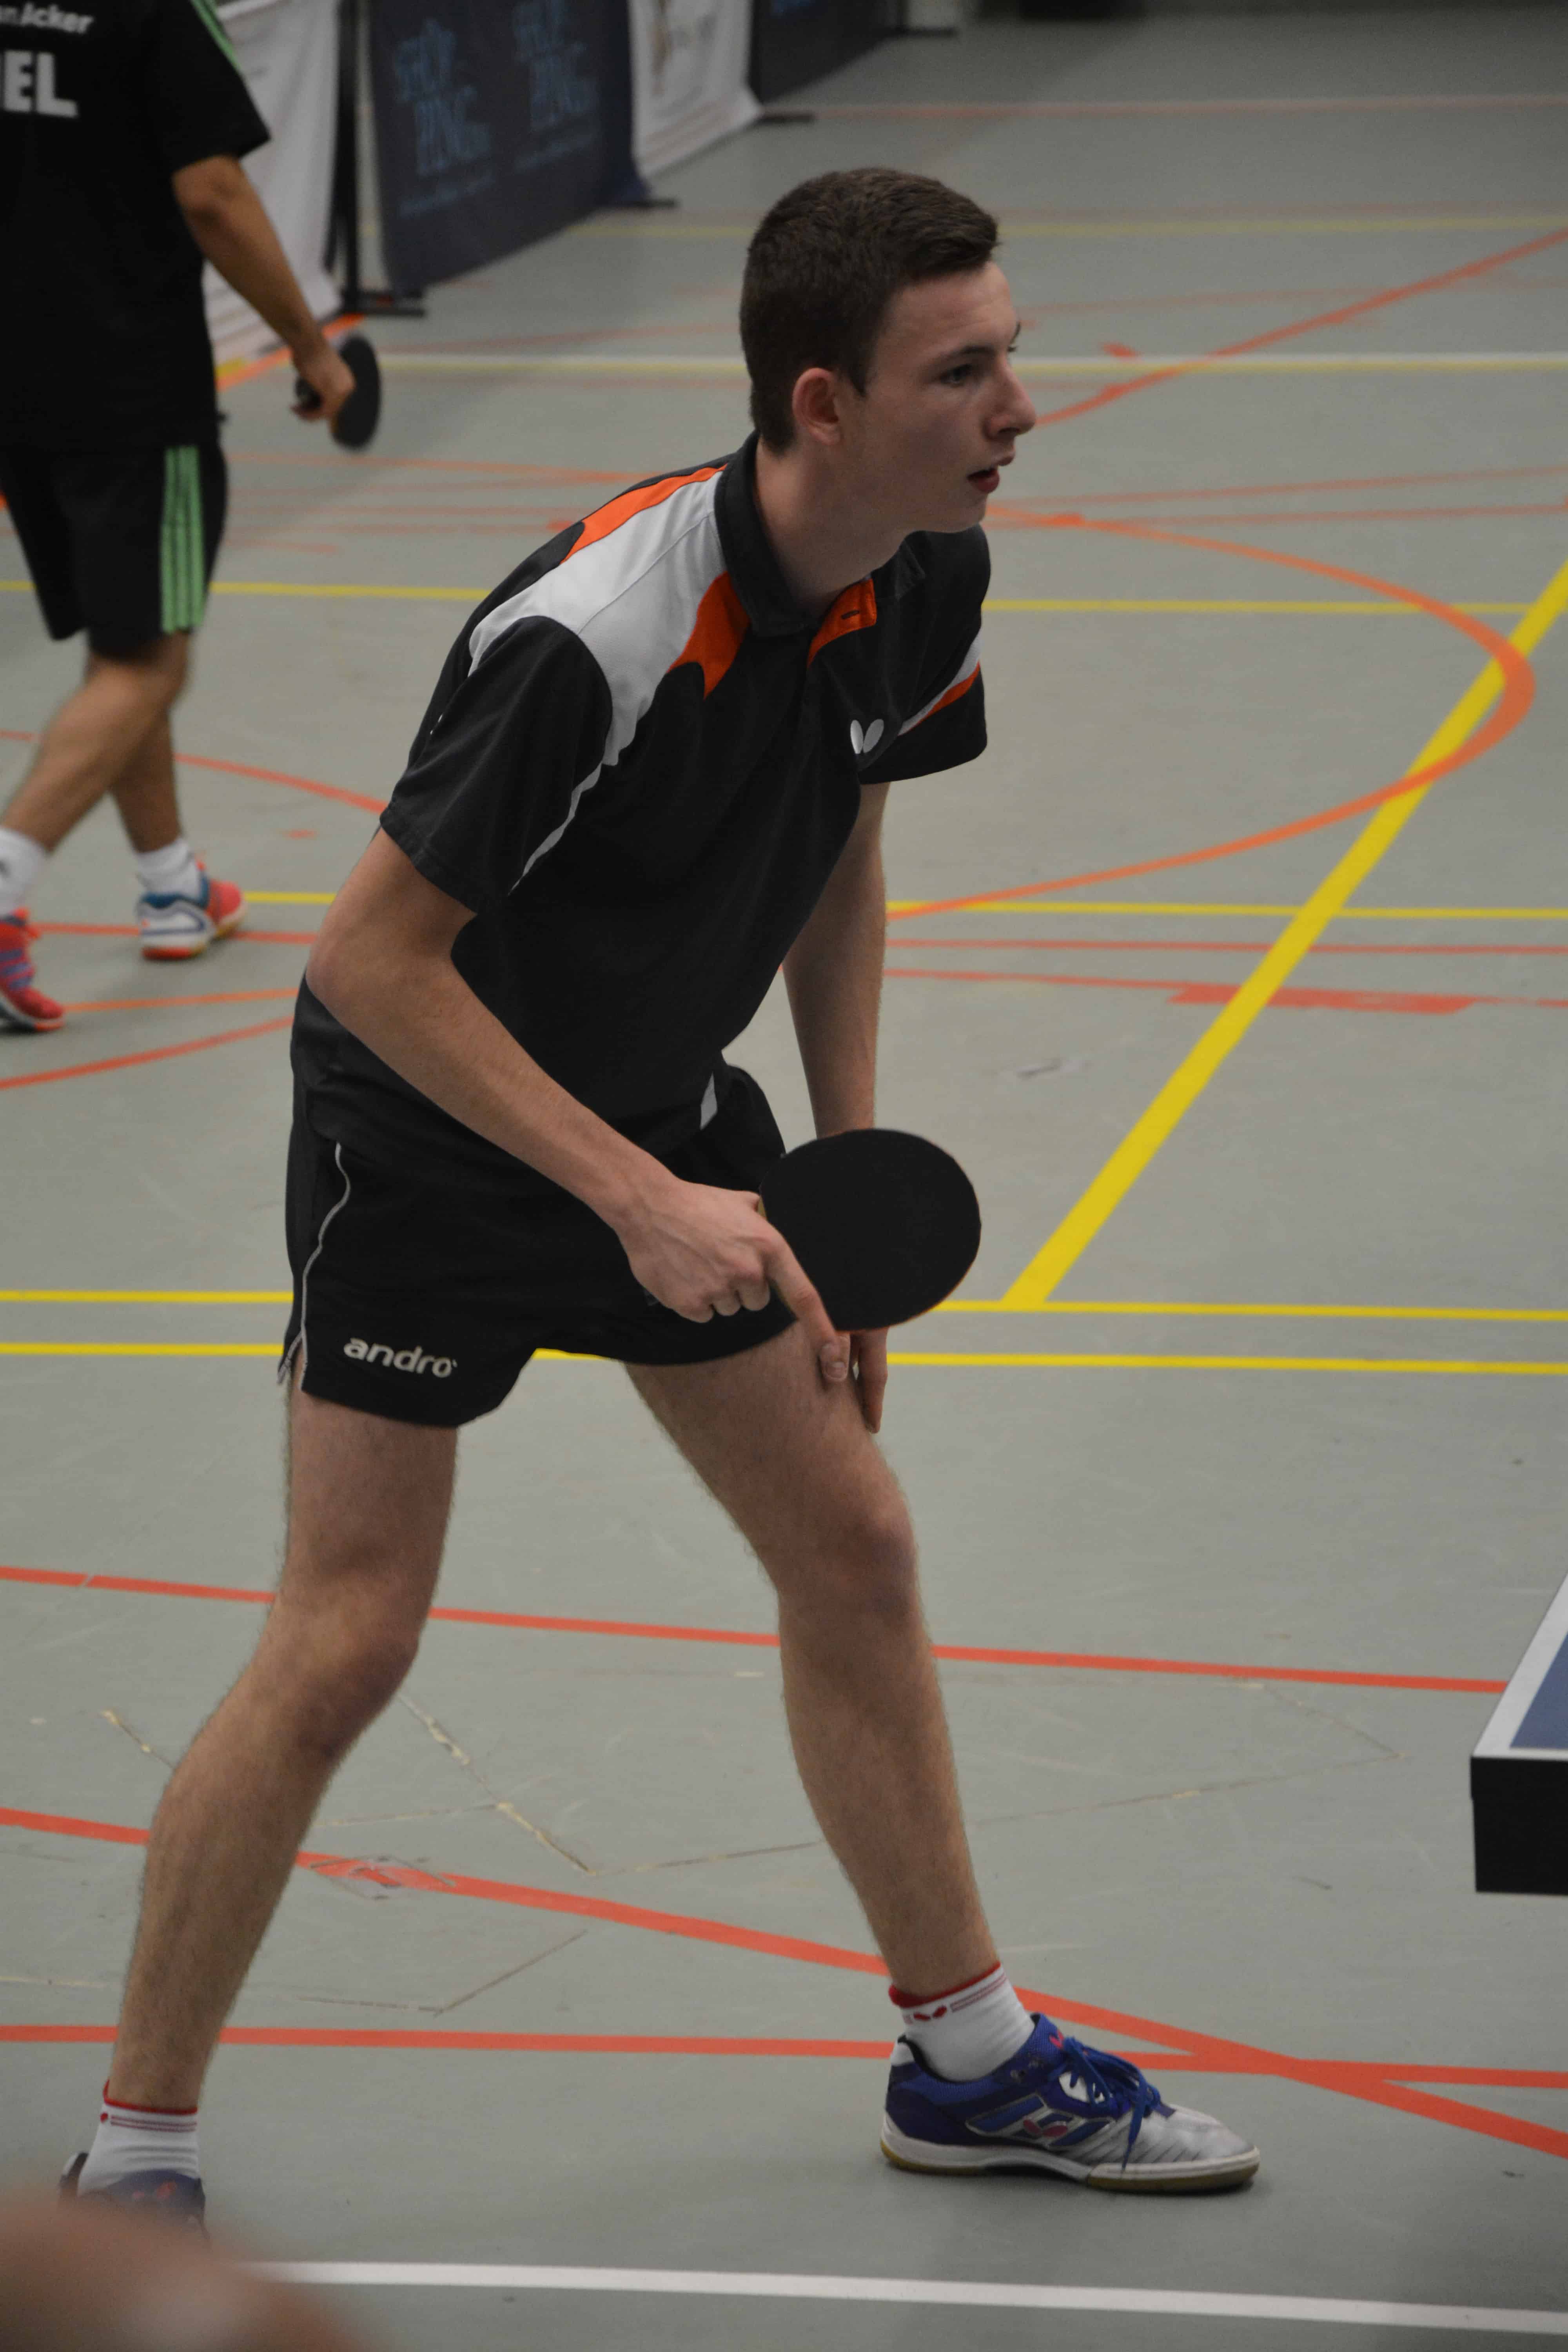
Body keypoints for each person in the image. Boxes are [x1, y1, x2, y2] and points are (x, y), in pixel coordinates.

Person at [63, 168, 1260, 2220]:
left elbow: (844, 845)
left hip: (665, 1121)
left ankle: (967, 2060)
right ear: (821, 402)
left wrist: (839, 1190)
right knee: (348, 1640)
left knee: (855, 1547)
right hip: (429, 1146)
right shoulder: (601, 635)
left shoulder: (926, 572)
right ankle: (134, 2155)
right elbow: (369, 965)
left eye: (1012, 357)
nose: (1015, 407)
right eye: (961, 372)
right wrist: (636, 1200)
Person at [0, 0, 356, 1033]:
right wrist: (312, 346)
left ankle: (172, 887)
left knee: (124, 644)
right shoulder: (153, 8)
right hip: (129, 388)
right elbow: (213, 193)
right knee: (150, 664)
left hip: (19, 379)